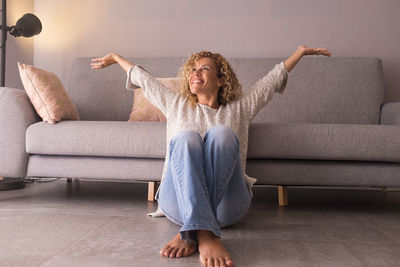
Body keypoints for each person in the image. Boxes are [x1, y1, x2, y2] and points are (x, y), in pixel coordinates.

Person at [91, 46, 331, 267]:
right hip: (177, 204)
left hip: (227, 207)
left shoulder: (240, 108)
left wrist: (299, 53)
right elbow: (144, 79)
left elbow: (270, 82)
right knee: (186, 138)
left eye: (205, 68)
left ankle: (194, 230)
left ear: (220, 80)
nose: (196, 72)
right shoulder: (176, 104)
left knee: (222, 134)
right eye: (193, 69)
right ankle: (205, 232)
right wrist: (115, 58)